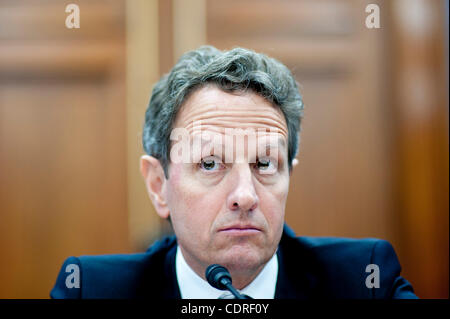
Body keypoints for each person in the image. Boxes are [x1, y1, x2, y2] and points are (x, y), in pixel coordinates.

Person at [50, 46, 417, 299]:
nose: (246, 195)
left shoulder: (365, 282)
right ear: (158, 185)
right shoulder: (90, 289)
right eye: (210, 164)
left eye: (264, 164)